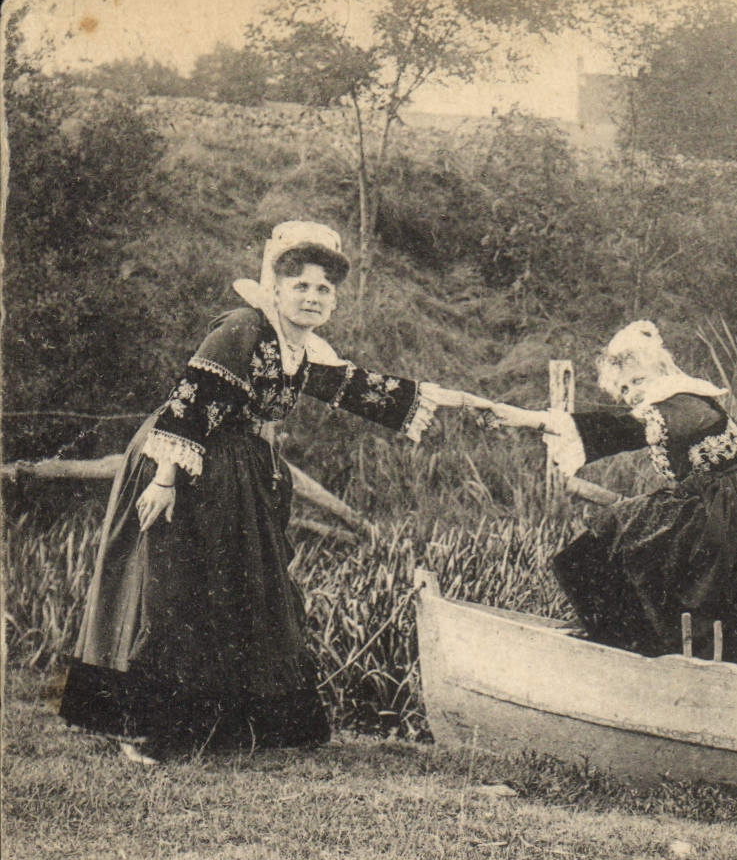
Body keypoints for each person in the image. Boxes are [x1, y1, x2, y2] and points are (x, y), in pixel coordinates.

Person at [58, 221, 480, 763]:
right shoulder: (242, 328)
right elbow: (189, 402)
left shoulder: (302, 347)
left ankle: (219, 728)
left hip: (241, 470)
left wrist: (463, 403)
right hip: (184, 461)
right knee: (178, 588)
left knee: (241, 589)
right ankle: (144, 731)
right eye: (300, 285)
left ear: (334, 300)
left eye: (323, 288)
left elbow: (369, 390)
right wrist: (165, 482)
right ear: (276, 288)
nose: (312, 296)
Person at [490, 320, 737, 680]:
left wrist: (530, 419)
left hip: (734, 506)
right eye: (623, 388)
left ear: (661, 371)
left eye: (638, 381)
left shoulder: (685, 401)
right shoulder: (669, 404)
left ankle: (643, 651)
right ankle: (641, 648)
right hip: (717, 503)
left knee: (614, 544)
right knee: (615, 548)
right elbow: (629, 426)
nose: (631, 392)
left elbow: (626, 430)